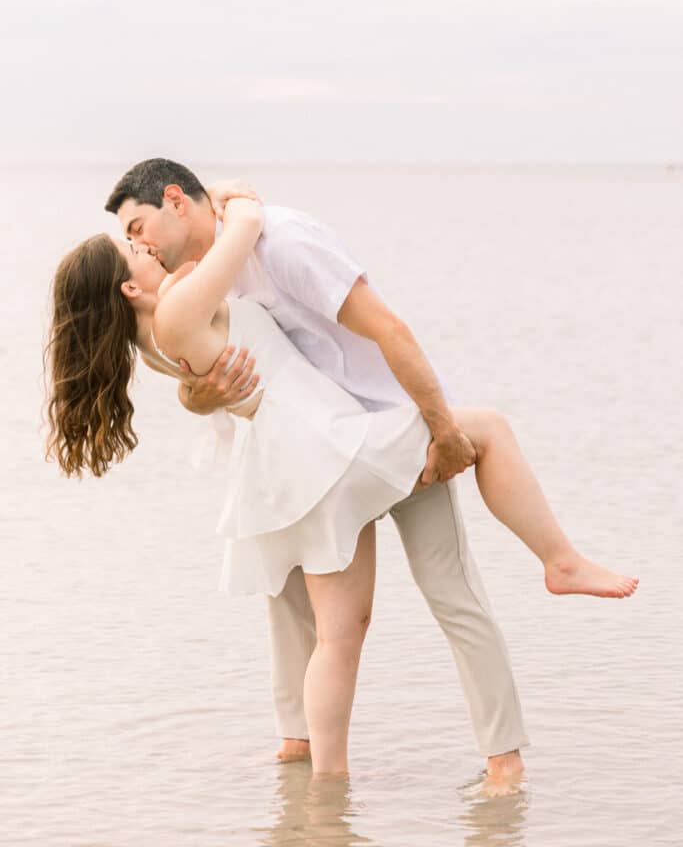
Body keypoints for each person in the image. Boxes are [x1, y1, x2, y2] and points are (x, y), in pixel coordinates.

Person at [45, 188, 638, 778]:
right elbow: (247, 223)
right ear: (128, 287)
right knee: (488, 429)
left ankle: (322, 779)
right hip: (322, 445)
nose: (142, 244)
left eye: (138, 230)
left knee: (335, 632)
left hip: (288, 462)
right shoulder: (178, 307)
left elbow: (197, 319)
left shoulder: (156, 331)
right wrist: (235, 201)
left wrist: (194, 385)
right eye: (131, 245)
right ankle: (559, 560)